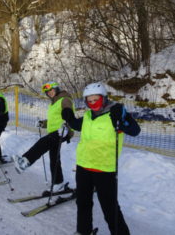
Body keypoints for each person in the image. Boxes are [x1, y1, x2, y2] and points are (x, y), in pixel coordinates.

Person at [62, 82, 140, 235]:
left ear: (104, 98)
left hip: (104, 169)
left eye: (95, 100)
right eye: (89, 101)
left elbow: (135, 130)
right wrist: (69, 117)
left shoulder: (114, 114)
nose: (92, 103)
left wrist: (123, 118)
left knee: (109, 207)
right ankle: (84, 231)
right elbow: (77, 125)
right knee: (83, 202)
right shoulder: (88, 116)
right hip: (83, 166)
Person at [13, 81, 75, 192]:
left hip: (63, 131)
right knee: (54, 158)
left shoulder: (65, 99)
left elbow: (68, 112)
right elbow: (53, 121)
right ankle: (58, 183)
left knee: (43, 142)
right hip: (55, 131)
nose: (49, 93)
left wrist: (67, 125)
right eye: (47, 92)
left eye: (51, 90)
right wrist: (43, 123)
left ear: (56, 89)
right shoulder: (53, 103)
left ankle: (25, 161)